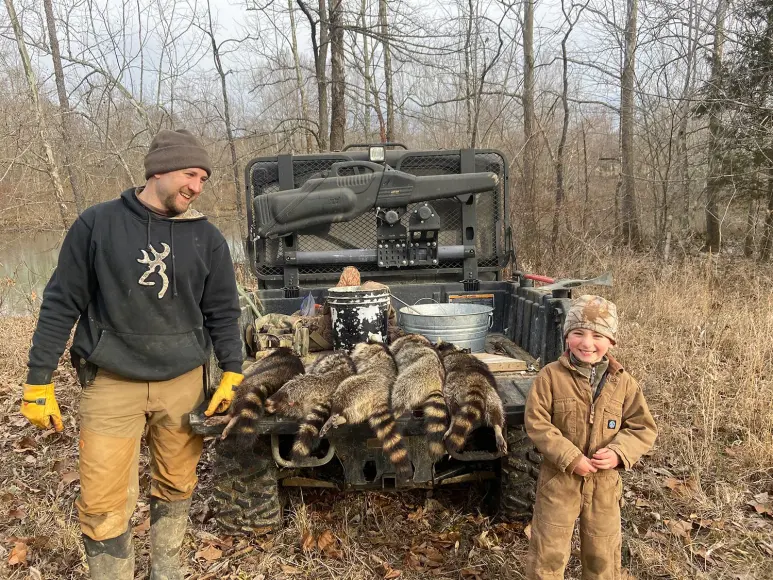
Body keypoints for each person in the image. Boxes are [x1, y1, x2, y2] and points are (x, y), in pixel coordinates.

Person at [20, 129, 246, 579]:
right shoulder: (97, 224)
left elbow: (223, 310)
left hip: (183, 382)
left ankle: (167, 572)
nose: (197, 187)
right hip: (111, 382)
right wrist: (38, 378)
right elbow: (62, 301)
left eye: (203, 178)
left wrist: (233, 371)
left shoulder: (207, 237)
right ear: (157, 170)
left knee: (178, 484)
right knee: (102, 501)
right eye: (190, 174)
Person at [524, 295, 657, 579]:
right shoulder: (550, 377)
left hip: (605, 486)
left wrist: (619, 453)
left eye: (597, 335)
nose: (587, 343)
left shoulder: (624, 383)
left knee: (602, 558)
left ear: (611, 342)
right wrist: (570, 457)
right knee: (548, 554)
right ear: (566, 337)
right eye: (578, 333)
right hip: (558, 482)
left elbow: (642, 428)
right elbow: (537, 422)